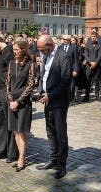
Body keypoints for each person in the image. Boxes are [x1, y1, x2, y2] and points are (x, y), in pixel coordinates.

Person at [35, 34, 71, 179]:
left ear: (50, 45)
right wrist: (40, 91)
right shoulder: (46, 55)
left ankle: (62, 165)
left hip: (59, 101)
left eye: (42, 49)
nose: (41, 52)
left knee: (60, 132)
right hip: (47, 98)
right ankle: (53, 159)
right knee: (50, 131)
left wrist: (50, 95)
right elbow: (44, 75)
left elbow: (66, 80)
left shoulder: (63, 56)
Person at [6, 39, 36, 172]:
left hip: (23, 103)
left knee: (22, 131)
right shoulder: (11, 63)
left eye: (17, 50)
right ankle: (20, 155)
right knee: (15, 131)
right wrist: (10, 100)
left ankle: (22, 158)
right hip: (12, 101)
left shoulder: (30, 64)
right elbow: (7, 84)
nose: (15, 52)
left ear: (23, 50)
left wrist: (18, 102)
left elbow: (30, 85)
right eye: (14, 49)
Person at [0, 34, 18, 163]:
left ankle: (12, 153)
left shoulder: (10, 51)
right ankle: (0, 150)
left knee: (10, 122)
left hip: (7, 90)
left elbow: (12, 73)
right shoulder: (1, 53)